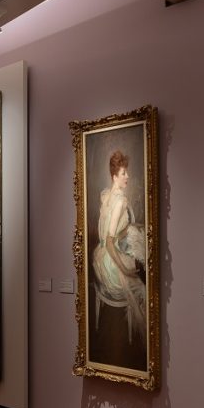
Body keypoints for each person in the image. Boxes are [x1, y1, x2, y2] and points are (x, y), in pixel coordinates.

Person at [91, 150, 146, 354]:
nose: (127, 177)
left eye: (126, 172)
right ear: (115, 176)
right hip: (111, 262)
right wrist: (123, 268)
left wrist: (129, 228)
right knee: (142, 286)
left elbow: (110, 232)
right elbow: (110, 241)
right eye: (124, 173)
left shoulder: (106, 195)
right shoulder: (121, 201)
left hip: (100, 255)